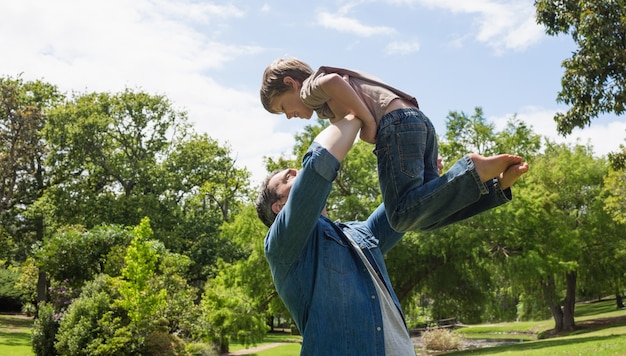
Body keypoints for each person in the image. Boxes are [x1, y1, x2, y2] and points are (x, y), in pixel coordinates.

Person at [255, 114, 526, 355]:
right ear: (279, 208)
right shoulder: (282, 245)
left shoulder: (358, 234)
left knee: (409, 211)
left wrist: (492, 185)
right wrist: (355, 113)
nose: (295, 172)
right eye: (288, 178)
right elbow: (315, 174)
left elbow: (406, 213)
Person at [260, 58, 529, 232]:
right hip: (418, 122)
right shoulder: (322, 106)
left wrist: (368, 122)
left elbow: (333, 82)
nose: (289, 115)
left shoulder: (310, 87)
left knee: (399, 216)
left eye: (284, 107)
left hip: (396, 125)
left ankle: (472, 171)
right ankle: (495, 186)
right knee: (424, 216)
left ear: (291, 83)